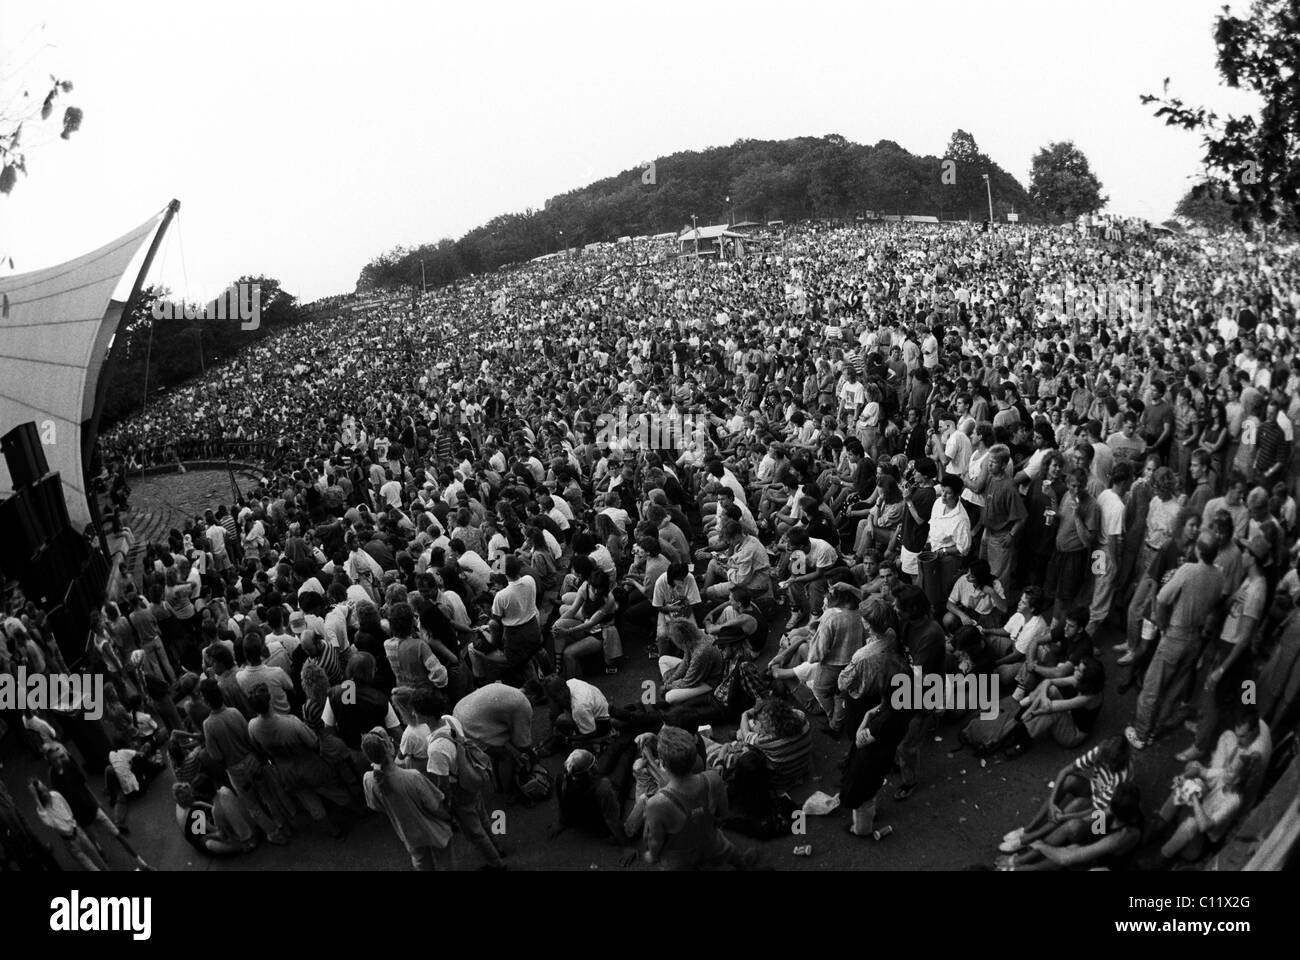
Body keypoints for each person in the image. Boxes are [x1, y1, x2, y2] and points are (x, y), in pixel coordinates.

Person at [642, 725, 759, 870]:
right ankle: (743, 865)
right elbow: (724, 814)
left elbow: (655, 840)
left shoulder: (656, 804)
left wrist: (652, 855)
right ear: (694, 757)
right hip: (711, 841)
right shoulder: (713, 778)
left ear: (664, 764)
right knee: (731, 852)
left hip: (679, 857)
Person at [362, 727, 455, 870]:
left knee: (421, 863)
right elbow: (435, 806)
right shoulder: (413, 776)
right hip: (434, 830)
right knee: (444, 863)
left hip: (408, 833)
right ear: (389, 747)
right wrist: (448, 817)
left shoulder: (368, 780)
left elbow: (376, 806)